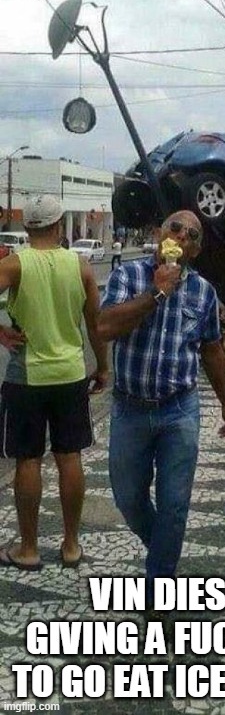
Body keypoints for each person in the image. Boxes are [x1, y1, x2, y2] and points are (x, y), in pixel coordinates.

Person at [97, 210, 225, 607]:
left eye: (192, 235)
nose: (181, 235)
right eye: (175, 227)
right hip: (130, 410)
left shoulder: (203, 293)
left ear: (195, 249)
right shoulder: (128, 276)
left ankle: (159, 585)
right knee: (128, 498)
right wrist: (156, 293)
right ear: (160, 233)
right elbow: (104, 327)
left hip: (179, 410)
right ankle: (162, 546)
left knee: (175, 503)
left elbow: (211, 349)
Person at [0, 194, 108, 570]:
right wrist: (104, 368)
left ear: (27, 227)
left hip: (26, 377)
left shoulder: (14, 264)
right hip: (70, 375)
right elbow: (95, 324)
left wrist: (2, 333)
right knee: (70, 457)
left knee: (28, 459)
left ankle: (28, 549)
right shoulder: (80, 266)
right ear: (59, 225)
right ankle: (71, 545)